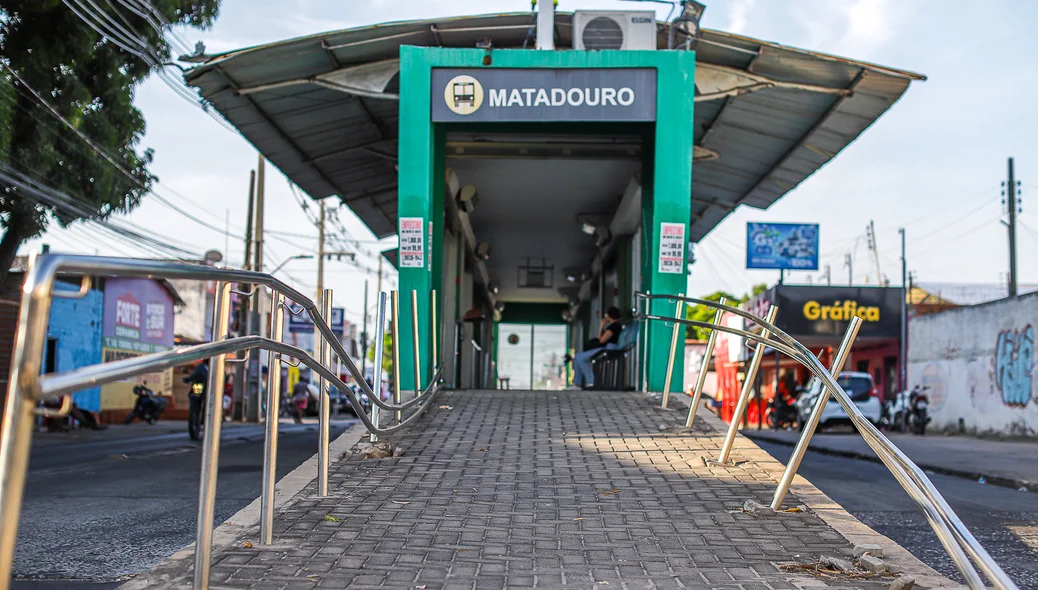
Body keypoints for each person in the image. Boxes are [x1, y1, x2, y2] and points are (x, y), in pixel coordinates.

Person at [570, 307, 624, 390]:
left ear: (609, 315)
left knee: (579, 357)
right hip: (608, 348)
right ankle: (577, 383)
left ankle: (590, 381)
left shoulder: (614, 326)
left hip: (607, 349)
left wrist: (602, 326)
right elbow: (599, 338)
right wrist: (601, 326)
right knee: (578, 356)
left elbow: (601, 340)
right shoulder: (616, 325)